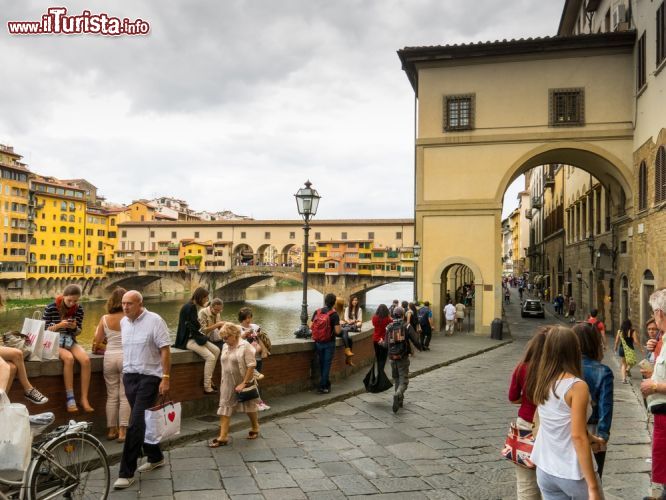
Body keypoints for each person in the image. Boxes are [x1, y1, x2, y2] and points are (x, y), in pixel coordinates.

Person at [529, 326, 604, 500]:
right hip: (572, 472)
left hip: (545, 469)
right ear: (574, 351)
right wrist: (592, 486)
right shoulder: (577, 386)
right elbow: (577, 436)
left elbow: (561, 422)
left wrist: (594, 439)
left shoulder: (543, 380)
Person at [113, 291, 171, 490]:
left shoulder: (155, 320)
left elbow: (165, 349)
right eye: (123, 303)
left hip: (150, 377)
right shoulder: (123, 323)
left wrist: (165, 377)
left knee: (135, 423)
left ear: (140, 303)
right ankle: (155, 456)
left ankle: (126, 473)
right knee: (142, 420)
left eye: (129, 303)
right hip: (129, 377)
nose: (125, 307)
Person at [508, 328, 547, 500]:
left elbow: (513, 398)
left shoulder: (522, 368)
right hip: (549, 426)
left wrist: (527, 400)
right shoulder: (557, 370)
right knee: (551, 482)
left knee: (525, 483)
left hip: (525, 424)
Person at [208, 323, 260, 447]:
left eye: (226, 337)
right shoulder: (225, 346)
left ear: (234, 335)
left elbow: (251, 365)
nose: (224, 340)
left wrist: (244, 383)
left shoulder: (245, 346)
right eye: (223, 338)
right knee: (225, 407)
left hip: (242, 380)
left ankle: (255, 427)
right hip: (226, 381)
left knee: (249, 405)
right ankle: (223, 437)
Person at [573, 322, 614, 478]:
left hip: (565, 430)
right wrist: (602, 437)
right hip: (592, 430)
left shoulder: (563, 368)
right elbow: (606, 407)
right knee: (593, 480)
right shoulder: (603, 372)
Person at [42, 284, 91, 412]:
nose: (72, 303)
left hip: (70, 340)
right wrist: (59, 325)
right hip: (53, 341)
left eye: (75, 301)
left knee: (86, 360)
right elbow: (43, 330)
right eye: (69, 300)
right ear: (63, 296)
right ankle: (70, 398)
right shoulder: (51, 307)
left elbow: (79, 331)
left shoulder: (79, 309)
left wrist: (74, 327)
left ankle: (84, 398)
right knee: (69, 359)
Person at [93, 287, 130, 442]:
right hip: (126, 358)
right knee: (124, 395)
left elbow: (97, 341)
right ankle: (122, 431)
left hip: (109, 358)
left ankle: (111, 430)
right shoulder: (129, 318)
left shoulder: (105, 318)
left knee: (112, 396)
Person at [640, 289, 666, 500]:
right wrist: (655, 349)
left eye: (654, 313)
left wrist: (655, 385)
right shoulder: (662, 337)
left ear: (659, 312)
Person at [174, 287, 220, 394]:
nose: (207, 300)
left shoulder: (191, 306)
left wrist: (202, 335)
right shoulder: (190, 308)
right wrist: (203, 337)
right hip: (188, 340)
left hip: (194, 338)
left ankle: (208, 379)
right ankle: (207, 387)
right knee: (211, 357)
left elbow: (195, 326)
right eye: (206, 297)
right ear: (200, 297)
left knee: (217, 350)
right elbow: (192, 328)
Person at [385, 306, 422, 413]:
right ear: (403, 315)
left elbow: (385, 344)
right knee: (404, 381)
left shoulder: (389, 327)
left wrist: (381, 342)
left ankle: (399, 401)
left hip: (392, 357)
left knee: (396, 379)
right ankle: (398, 394)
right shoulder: (407, 326)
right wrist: (420, 347)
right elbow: (415, 340)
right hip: (403, 357)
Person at [238, 307, 270, 411]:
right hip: (247, 360)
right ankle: (258, 402)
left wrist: (264, 350)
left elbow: (259, 339)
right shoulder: (237, 329)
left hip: (257, 357)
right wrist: (244, 335)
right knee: (251, 382)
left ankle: (257, 402)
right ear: (241, 318)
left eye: (250, 318)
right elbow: (236, 342)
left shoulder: (255, 327)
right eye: (246, 318)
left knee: (256, 381)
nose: (248, 320)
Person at [311, 293, 341, 394]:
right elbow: (337, 331)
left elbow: (311, 325)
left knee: (321, 364)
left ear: (325, 301)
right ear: (334, 302)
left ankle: (326, 383)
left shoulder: (317, 311)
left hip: (318, 342)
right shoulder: (334, 314)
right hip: (329, 343)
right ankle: (322, 386)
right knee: (326, 365)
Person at [613, 319, 642, 384]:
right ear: (630, 324)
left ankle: (624, 379)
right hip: (630, 349)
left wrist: (615, 348)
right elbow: (636, 341)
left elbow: (617, 341)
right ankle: (628, 369)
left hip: (621, 349)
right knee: (633, 361)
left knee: (623, 364)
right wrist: (640, 348)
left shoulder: (619, 331)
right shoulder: (632, 331)